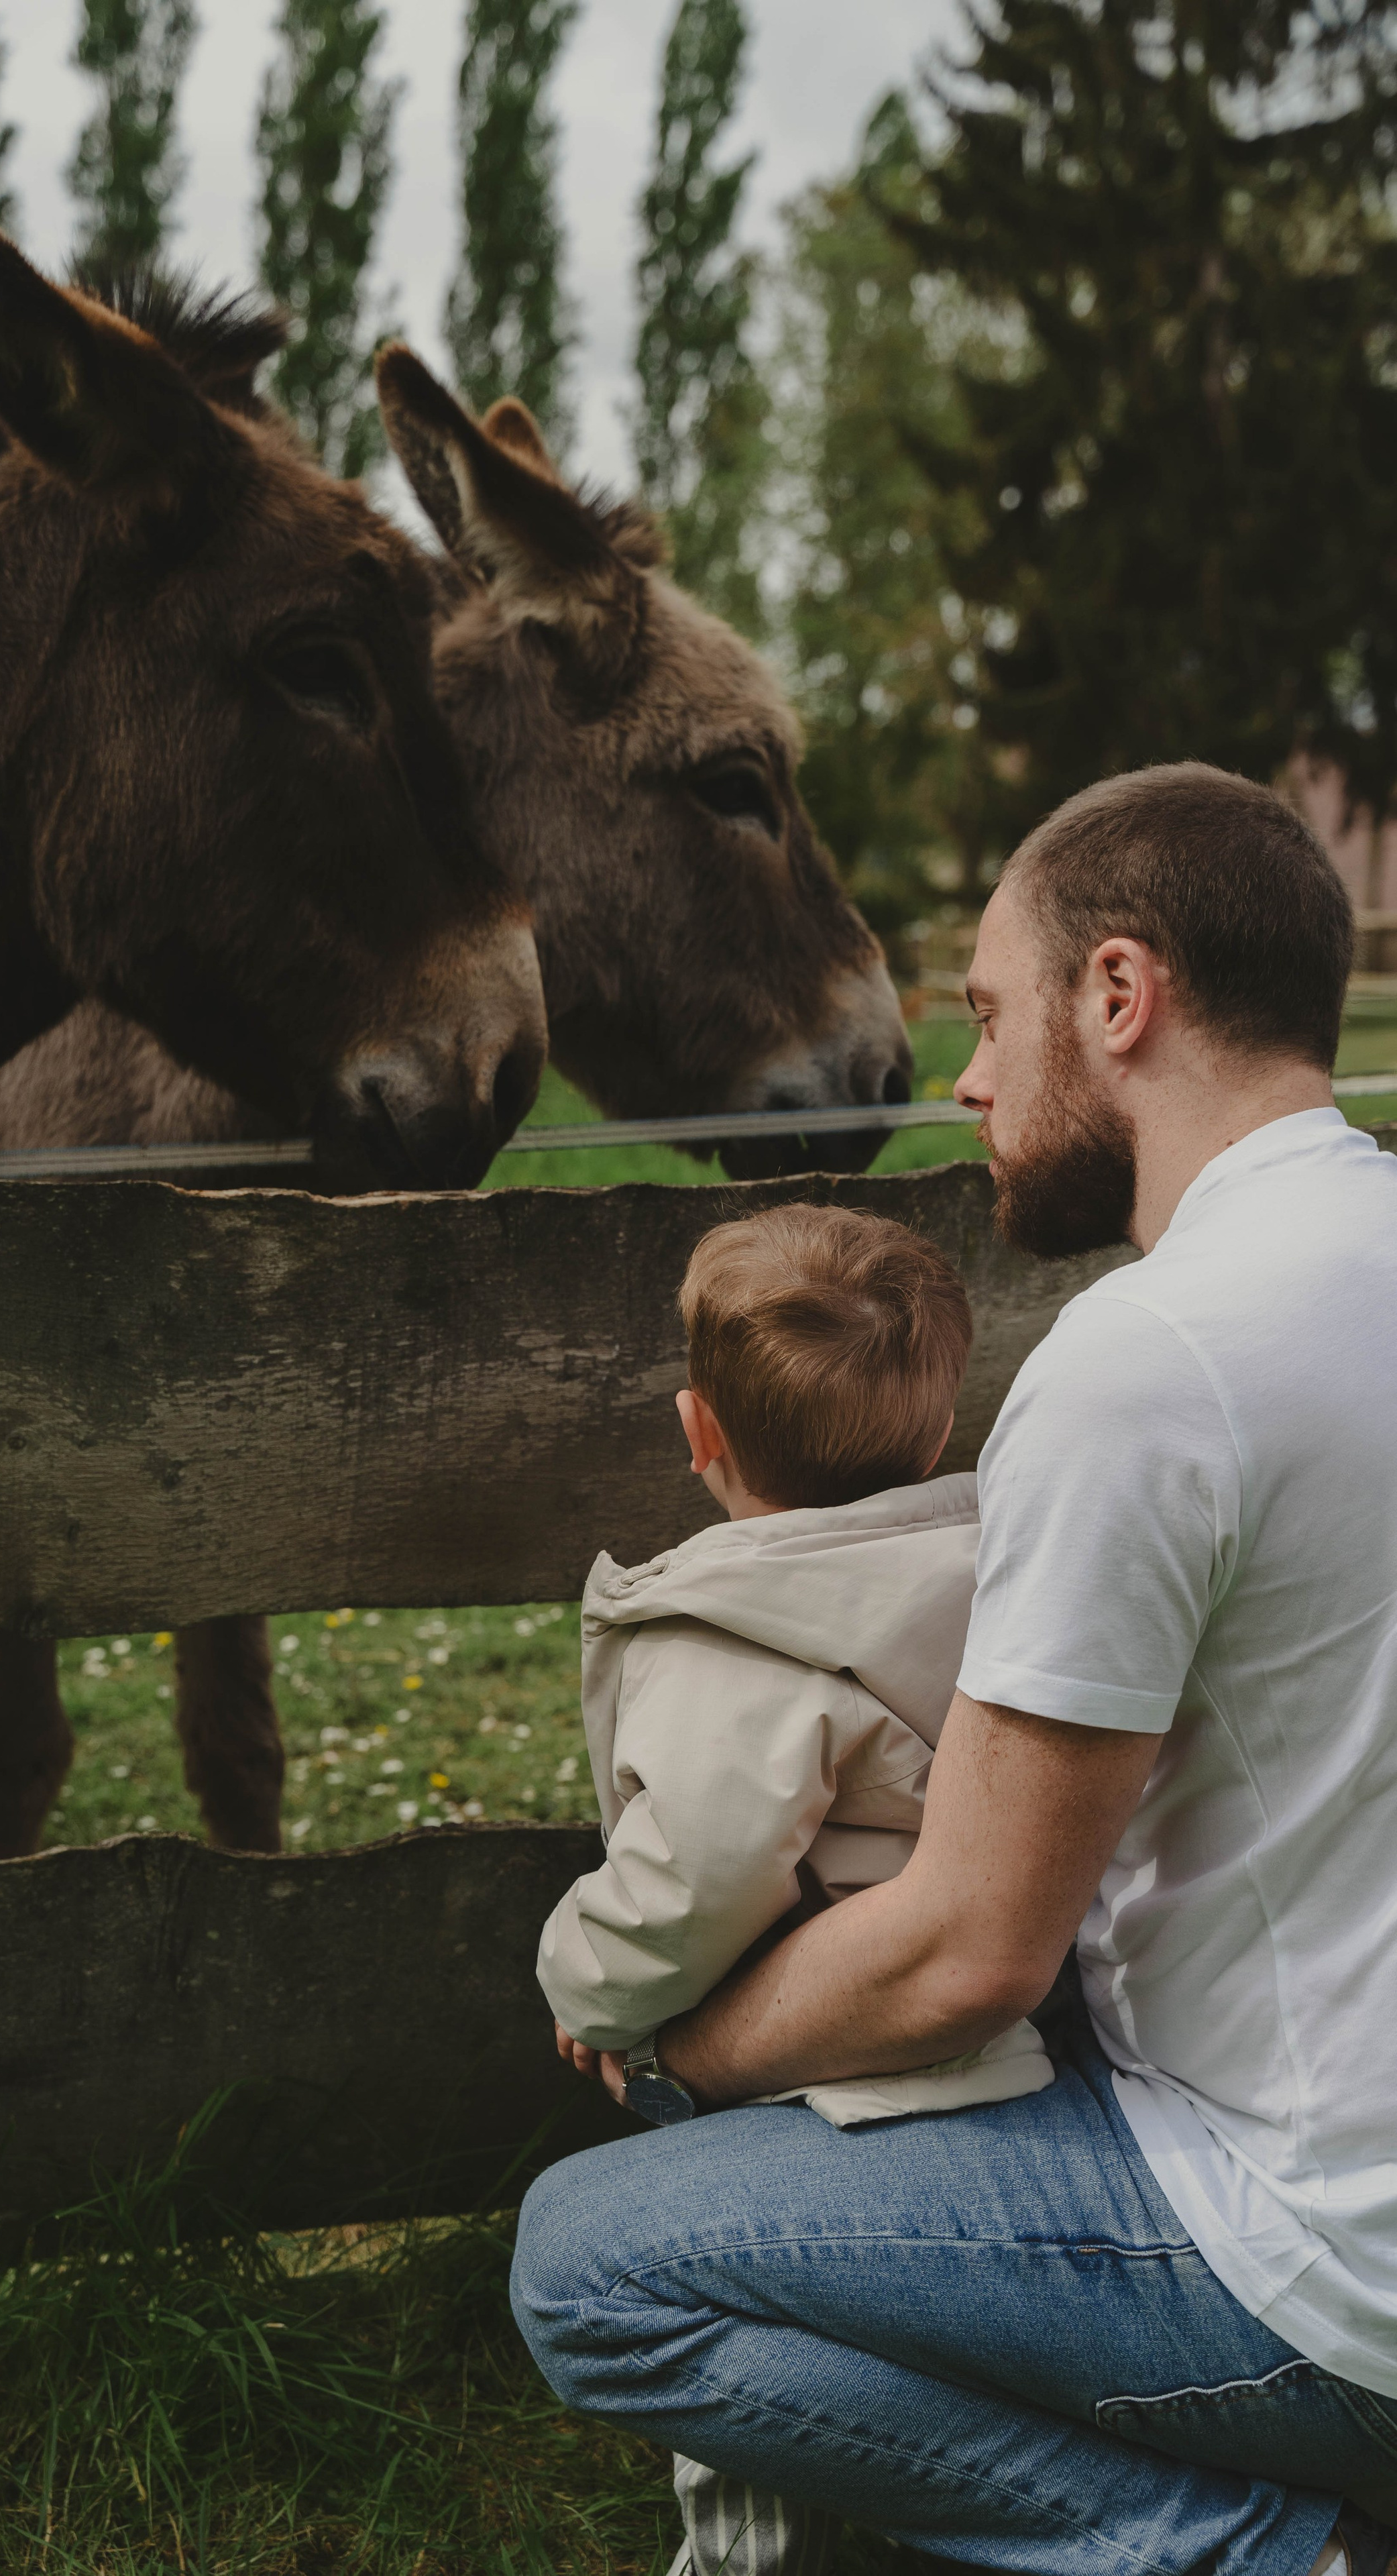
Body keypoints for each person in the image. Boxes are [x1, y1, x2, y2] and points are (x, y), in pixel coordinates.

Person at [510, 762, 1397, 2576]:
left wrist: (680, 2040)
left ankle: (1245, 2549)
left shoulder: (1147, 1363)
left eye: (991, 1014)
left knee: (590, 2266)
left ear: (1122, 997)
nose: (968, 1078)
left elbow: (967, 1948)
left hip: (1318, 2261)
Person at [539, 1199, 1054, 2130]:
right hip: (984, 2046)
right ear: (939, 1439)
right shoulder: (1008, 1576)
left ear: (700, 1433)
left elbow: (698, 1872)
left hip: (825, 2075)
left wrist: (588, 1982)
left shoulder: (735, 1644)